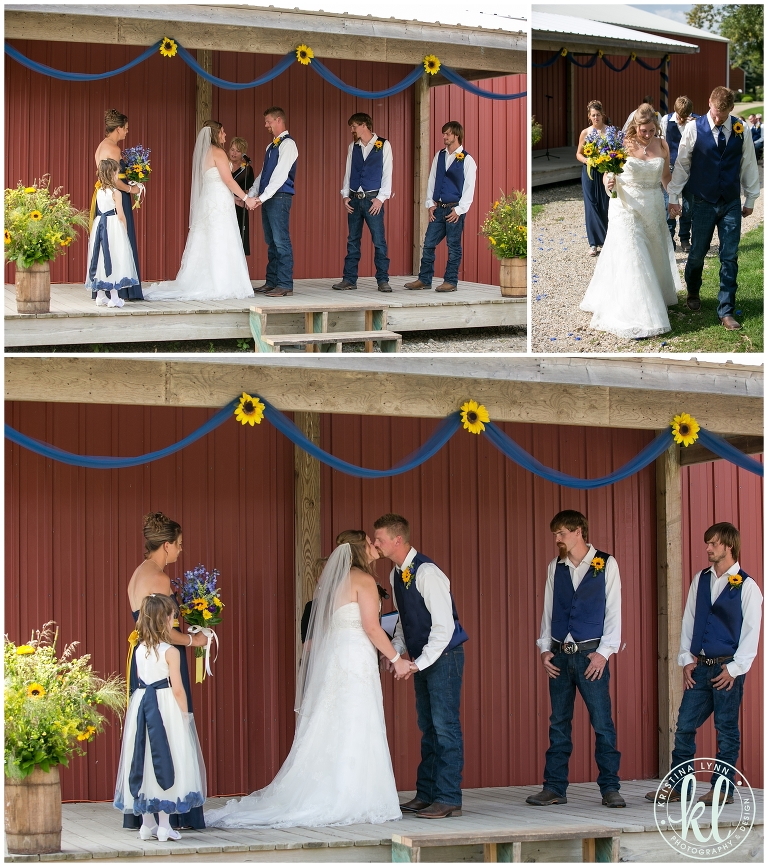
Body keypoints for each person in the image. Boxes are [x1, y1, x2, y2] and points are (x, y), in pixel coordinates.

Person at [206, 531, 410, 828]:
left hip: (336, 659)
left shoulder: (334, 584)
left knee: (334, 723)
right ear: (357, 552)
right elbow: (372, 628)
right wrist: (396, 659)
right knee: (357, 720)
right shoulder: (363, 581)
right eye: (368, 544)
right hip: (354, 658)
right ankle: (354, 795)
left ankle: (337, 789)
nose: (374, 547)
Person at [646, 523, 762, 807]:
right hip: (700, 668)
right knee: (684, 725)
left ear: (728, 546)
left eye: (713, 543)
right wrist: (687, 658)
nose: (708, 548)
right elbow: (689, 620)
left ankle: (723, 790)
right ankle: (678, 786)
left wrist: (734, 669)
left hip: (727, 671)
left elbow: (752, 633)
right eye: (707, 543)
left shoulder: (748, 587)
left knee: (726, 729)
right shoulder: (701, 579)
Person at [526, 510, 625, 809]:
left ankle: (610, 788)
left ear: (579, 531)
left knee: (602, 724)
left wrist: (604, 654)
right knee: (558, 724)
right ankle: (554, 788)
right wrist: (544, 649)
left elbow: (614, 612)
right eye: (555, 533)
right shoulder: (554, 566)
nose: (556, 538)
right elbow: (548, 610)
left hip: (590, 657)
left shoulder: (606, 563)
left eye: (561, 533)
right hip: (560, 657)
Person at [373, 513, 468, 819]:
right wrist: (398, 653)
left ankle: (448, 796)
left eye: (380, 539)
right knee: (428, 727)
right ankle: (426, 793)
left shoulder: (427, 573)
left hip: (444, 658)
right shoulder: (395, 575)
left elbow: (444, 629)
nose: (375, 544)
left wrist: (418, 664)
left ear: (397, 540)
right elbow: (402, 621)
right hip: (420, 660)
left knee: (445, 727)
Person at [124, 512, 208, 831]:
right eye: (180, 545)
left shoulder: (139, 573)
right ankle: (173, 813)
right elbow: (161, 631)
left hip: (141, 661)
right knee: (170, 730)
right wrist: (193, 639)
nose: (181, 551)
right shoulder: (159, 578)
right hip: (162, 662)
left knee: (146, 735)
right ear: (167, 545)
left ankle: (144, 814)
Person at [579, 104, 680, 339]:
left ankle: (654, 296)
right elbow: (609, 172)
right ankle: (638, 311)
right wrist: (608, 183)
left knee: (653, 251)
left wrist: (673, 200)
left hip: (653, 206)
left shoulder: (662, 145)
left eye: (651, 130)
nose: (647, 135)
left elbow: (665, 177)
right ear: (636, 127)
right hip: (625, 206)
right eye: (644, 131)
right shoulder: (622, 143)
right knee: (634, 254)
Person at [114, 594, 206, 841]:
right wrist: (185, 714)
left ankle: (147, 824)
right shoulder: (170, 652)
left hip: (142, 704)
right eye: (172, 616)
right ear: (165, 619)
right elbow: (177, 688)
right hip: (164, 706)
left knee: (143, 757)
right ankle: (165, 825)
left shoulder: (139, 649)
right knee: (169, 754)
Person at [667, 86, 760, 330]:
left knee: (729, 256)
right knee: (697, 253)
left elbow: (748, 162)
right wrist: (674, 195)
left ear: (731, 109)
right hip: (702, 201)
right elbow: (683, 164)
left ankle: (726, 310)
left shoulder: (742, 129)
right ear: (709, 102)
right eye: (715, 113)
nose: (718, 118)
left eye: (723, 114)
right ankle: (694, 291)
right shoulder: (693, 128)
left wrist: (750, 198)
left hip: (729, 202)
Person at [142, 121, 254, 301]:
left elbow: (214, 182)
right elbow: (229, 181)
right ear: (216, 134)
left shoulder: (206, 153)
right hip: (218, 203)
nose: (225, 135)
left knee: (208, 239)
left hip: (210, 200)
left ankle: (207, 279)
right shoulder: (218, 152)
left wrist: (234, 199)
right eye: (223, 132)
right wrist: (247, 198)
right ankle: (222, 283)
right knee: (222, 238)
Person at [404, 121, 477, 291]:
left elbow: (469, 189)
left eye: (448, 134)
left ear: (456, 135)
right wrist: (430, 203)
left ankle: (451, 281)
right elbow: (432, 180)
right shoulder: (440, 155)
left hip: (454, 209)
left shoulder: (467, 160)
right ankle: (424, 279)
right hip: (439, 208)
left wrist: (459, 210)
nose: (444, 136)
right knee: (428, 243)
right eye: (444, 133)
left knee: (453, 246)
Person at [332, 113, 393, 293]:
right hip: (355, 200)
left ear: (364, 125)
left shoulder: (383, 144)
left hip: (373, 200)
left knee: (379, 241)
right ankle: (349, 279)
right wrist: (345, 196)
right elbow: (348, 172)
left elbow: (388, 173)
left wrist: (381, 199)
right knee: (353, 240)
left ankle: (383, 280)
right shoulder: (354, 146)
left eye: (354, 126)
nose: (352, 130)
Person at [246, 107, 299, 298]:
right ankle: (272, 282)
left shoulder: (288, 144)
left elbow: (280, 175)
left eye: (268, 121)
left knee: (281, 240)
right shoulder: (271, 147)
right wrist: (252, 193)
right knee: (271, 241)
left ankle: (285, 284)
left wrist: (262, 197)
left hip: (280, 197)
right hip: (268, 197)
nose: (266, 125)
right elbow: (263, 174)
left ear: (278, 120)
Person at [93, 109, 143, 301]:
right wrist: (133, 189)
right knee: (119, 241)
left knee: (107, 242)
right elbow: (113, 180)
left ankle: (104, 289)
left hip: (103, 198)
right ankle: (121, 290)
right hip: (115, 200)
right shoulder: (113, 149)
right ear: (118, 129)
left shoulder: (101, 146)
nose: (127, 132)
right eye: (126, 129)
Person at [85, 159, 139, 308]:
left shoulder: (99, 191)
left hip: (100, 224)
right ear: (112, 174)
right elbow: (121, 214)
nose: (118, 175)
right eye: (117, 172)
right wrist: (125, 229)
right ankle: (114, 297)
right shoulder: (116, 193)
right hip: (113, 225)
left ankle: (100, 295)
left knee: (101, 257)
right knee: (114, 257)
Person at [660, 96, 698, 252]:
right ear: (674, 111)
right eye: (680, 116)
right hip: (670, 168)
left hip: (690, 169)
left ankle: (684, 238)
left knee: (688, 206)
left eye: (685, 116)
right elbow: (661, 142)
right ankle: (669, 239)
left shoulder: (696, 122)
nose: (682, 119)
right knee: (669, 204)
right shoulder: (665, 120)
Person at [575, 101, 611, 256]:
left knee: (605, 204)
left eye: (598, 115)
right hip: (589, 172)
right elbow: (579, 153)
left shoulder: (609, 131)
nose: (596, 117)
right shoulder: (586, 132)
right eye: (593, 115)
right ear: (589, 117)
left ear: (602, 115)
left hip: (605, 171)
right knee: (591, 206)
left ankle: (608, 240)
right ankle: (593, 243)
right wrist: (586, 160)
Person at [229, 137, 255, 256]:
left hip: (239, 205)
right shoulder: (223, 165)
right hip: (224, 204)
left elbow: (248, 189)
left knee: (238, 236)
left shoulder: (247, 169)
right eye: (232, 149)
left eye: (237, 151)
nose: (234, 153)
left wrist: (241, 197)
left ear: (243, 153)